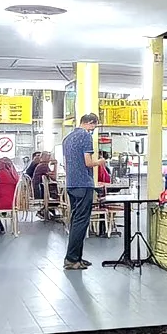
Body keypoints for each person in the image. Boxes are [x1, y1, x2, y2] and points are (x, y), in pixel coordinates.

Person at [61, 113, 102, 269]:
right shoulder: (86, 137)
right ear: (90, 123)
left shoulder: (67, 138)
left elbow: (65, 163)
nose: (94, 129)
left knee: (76, 220)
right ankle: (72, 259)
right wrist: (100, 162)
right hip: (84, 183)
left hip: (71, 183)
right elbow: (88, 162)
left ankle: (77, 257)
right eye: (94, 126)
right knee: (81, 221)